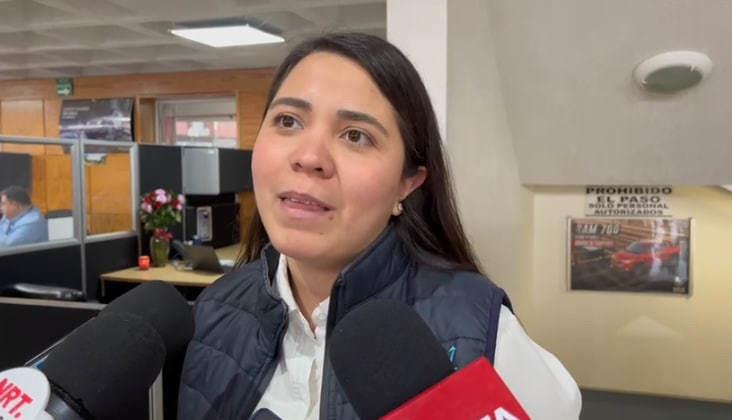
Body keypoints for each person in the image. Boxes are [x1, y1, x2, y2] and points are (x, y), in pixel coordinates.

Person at [178, 33, 581, 420]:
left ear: (408, 183)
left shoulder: (485, 334)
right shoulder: (213, 312)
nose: (309, 156)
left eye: (355, 135)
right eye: (288, 121)